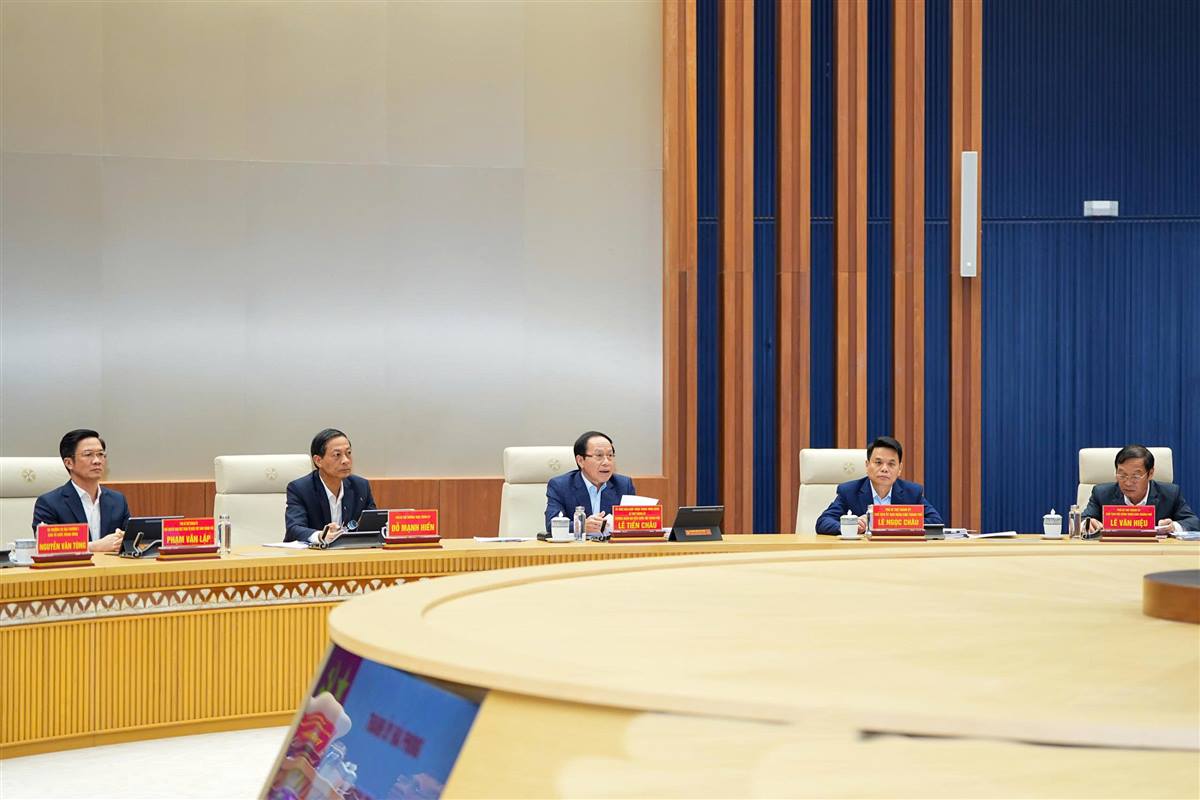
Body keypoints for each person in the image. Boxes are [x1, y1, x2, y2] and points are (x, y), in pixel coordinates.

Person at [815, 435, 943, 535]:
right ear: (867, 465)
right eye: (878, 462)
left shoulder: (912, 493)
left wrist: (890, 522)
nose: (884, 469)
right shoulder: (849, 491)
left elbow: (936, 522)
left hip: (898, 554)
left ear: (899, 469)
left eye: (891, 464)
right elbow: (823, 522)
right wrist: (851, 525)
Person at [31, 429, 131, 553]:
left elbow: (130, 540)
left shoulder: (118, 500)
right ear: (69, 463)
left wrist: (124, 540)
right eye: (88, 455)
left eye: (100, 454)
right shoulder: (49, 503)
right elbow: (47, 545)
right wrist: (94, 547)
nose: (97, 461)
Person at [285, 428, 376, 544]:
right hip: (313, 553)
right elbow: (294, 529)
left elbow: (373, 523)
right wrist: (321, 536)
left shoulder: (361, 486)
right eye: (337, 455)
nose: (346, 460)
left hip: (349, 552)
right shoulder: (300, 489)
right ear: (318, 461)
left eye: (348, 453)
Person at [1081, 445, 1197, 533]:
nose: (1128, 483)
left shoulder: (1170, 494)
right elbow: (1082, 519)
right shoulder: (1101, 493)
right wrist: (1087, 524)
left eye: (1135, 476)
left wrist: (1173, 526)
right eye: (1122, 475)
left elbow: (1193, 522)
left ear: (1150, 474)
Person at [544, 431, 637, 533]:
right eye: (599, 455)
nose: (606, 462)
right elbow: (552, 525)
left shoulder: (624, 485)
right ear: (580, 461)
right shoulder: (560, 486)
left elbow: (633, 523)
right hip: (577, 543)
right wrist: (581, 526)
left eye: (610, 455)